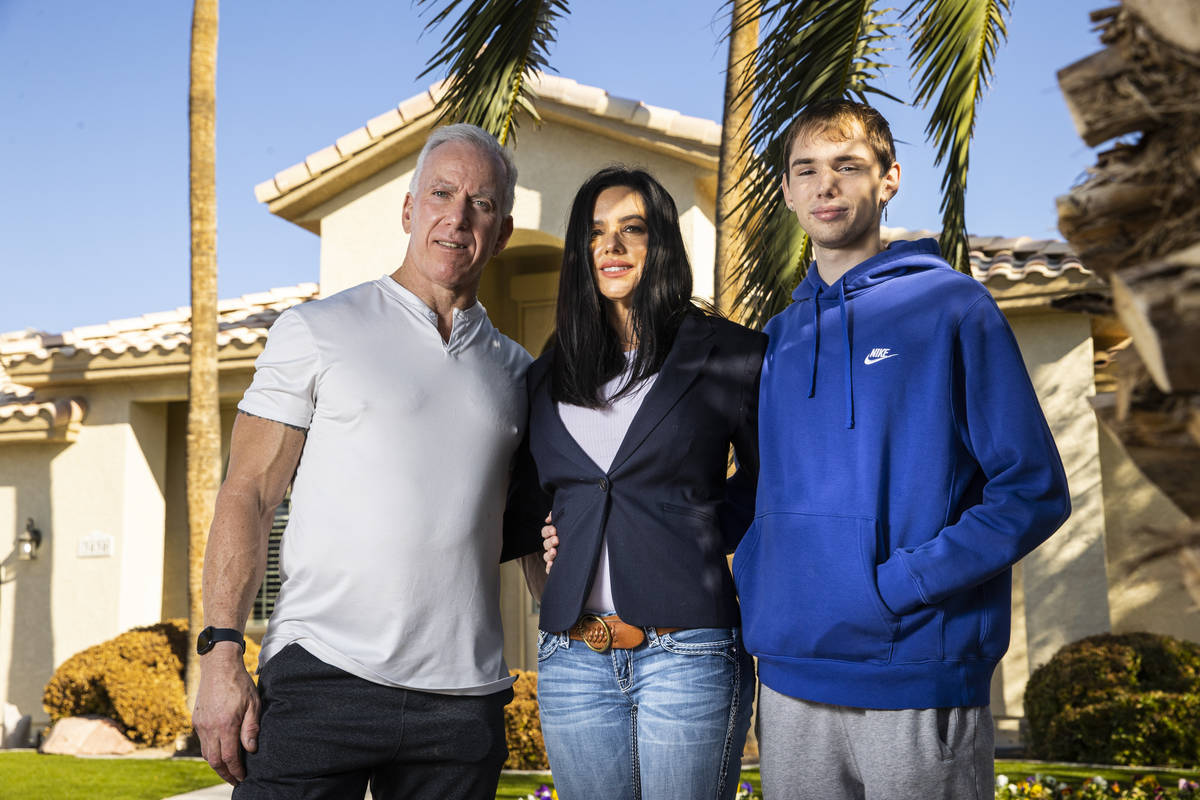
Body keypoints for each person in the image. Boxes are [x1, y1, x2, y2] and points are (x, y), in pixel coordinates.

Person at [733, 99, 1072, 799]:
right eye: (807, 170)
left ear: (889, 178)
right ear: (790, 192)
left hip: (917, 666)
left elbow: (1032, 488)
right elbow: (763, 490)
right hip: (792, 673)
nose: (826, 186)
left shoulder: (953, 308)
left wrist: (901, 585)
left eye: (848, 166)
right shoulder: (779, 338)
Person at [192, 123, 532, 800]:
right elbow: (249, 493)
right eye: (440, 193)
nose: (457, 216)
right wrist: (221, 651)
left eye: (481, 203)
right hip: (322, 680)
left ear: (502, 231)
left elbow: (535, 533)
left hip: (461, 706)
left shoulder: (520, 373)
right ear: (409, 211)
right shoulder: (317, 330)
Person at [519, 166, 767, 800]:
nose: (614, 246)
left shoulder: (730, 353)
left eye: (633, 229)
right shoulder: (546, 375)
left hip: (687, 652)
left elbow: (771, 482)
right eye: (597, 233)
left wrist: (699, 529)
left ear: (661, 245)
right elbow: (529, 499)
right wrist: (553, 565)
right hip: (572, 658)